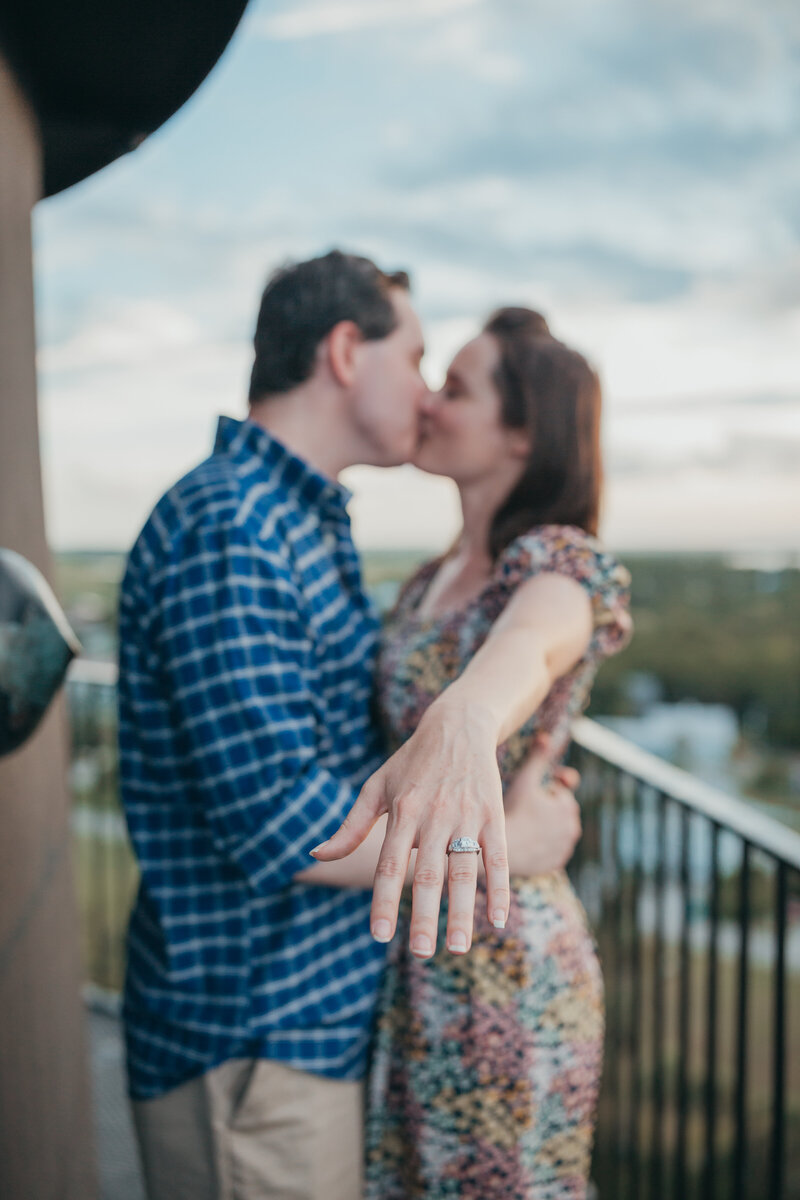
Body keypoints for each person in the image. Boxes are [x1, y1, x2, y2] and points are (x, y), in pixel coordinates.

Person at [117, 253, 581, 1200]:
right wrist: (509, 843)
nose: (423, 394)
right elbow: (278, 820)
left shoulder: (299, 525)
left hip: (308, 1029)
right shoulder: (234, 525)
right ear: (342, 352)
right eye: (414, 360)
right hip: (253, 1039)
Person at [360, 307, 633, 1198]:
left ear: (522, 432)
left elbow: (537, 644)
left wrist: (466, 718)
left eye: (458, 387)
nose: (432, 403)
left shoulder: (559, 563)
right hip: (414, 966)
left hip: (503, 970)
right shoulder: (428, 578)